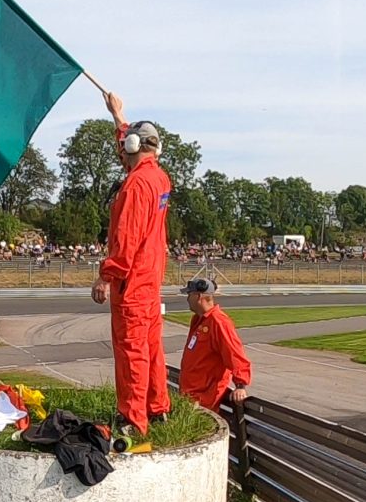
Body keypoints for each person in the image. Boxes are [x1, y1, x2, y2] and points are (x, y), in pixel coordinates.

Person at [91, 92, 173, 436]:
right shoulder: (159, 177)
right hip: (150, 278)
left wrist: (106, 276)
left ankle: (132, 420)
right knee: (151, 348)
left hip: (132, 280)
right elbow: (130, 153)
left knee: (132, 352)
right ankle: (157, 408)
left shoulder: (137, 184)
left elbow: (125, 239)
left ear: (134, 145)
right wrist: (118, 116)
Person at [178, 278, 252, 412]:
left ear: (198, 296)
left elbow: (235, 354)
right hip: (190, 396)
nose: (187, 298)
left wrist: (240, 385)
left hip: (203, 401)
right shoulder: (198, 320)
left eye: (189, 294)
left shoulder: (219, 322)